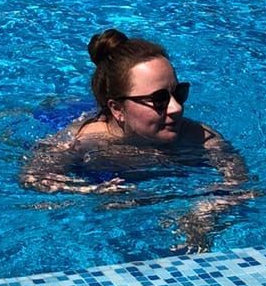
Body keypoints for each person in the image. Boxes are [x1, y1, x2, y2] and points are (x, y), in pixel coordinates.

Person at [20, 28, 248, 199]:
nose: (176, 107)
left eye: (179, 93)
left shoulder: (201, 139)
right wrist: (91, 191)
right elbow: (32, 178)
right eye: (159, 99)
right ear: (117, 109)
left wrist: (209, 210)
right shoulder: (82, 141)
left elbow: (242, 185)